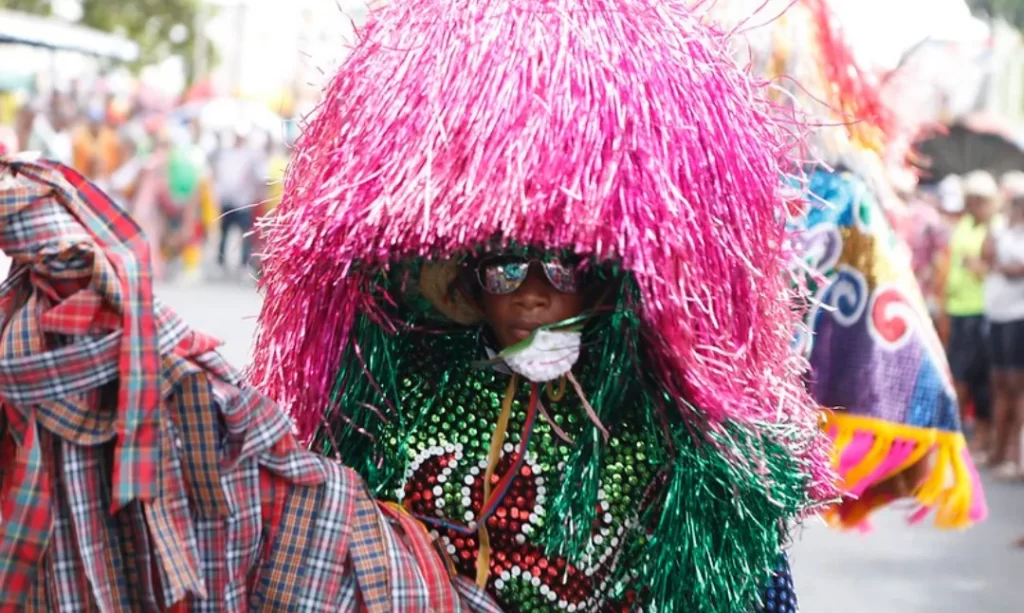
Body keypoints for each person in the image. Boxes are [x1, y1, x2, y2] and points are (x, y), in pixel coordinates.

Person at [252, 0, 838, 610]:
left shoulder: (662, 423)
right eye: (505, 269)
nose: (534, 294)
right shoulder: (404, 400)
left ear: (606, 280)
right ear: (467, 284)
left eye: (564, 268)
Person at [946, 170, 999, 457]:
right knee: (958, 371)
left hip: (981, 309)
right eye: (970, 199)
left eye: (978, 199)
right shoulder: (964, 224)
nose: (972, 204)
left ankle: (982, 432)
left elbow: (992, 268)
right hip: (958, 308)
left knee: (978, 375)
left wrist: (976, 265)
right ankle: (959, 431)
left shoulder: (994, 227)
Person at [983, 192, 1024, 479]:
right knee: (999, 382)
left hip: (1017, 318)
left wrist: (996, 265)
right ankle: (998, 451)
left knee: (1017, 387)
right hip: (997, 316)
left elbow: (1018, 269)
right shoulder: (1002, 231)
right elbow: (986, 254)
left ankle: (1015, 455)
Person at [212, 125, 266, 277]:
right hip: (227, 200)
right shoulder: (226, 154)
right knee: (224, 233)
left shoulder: (251, 156)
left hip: (243, 201)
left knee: (245, 235)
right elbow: (220, 175)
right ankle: (221, 263)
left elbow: (259, 178)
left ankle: (244, 264)